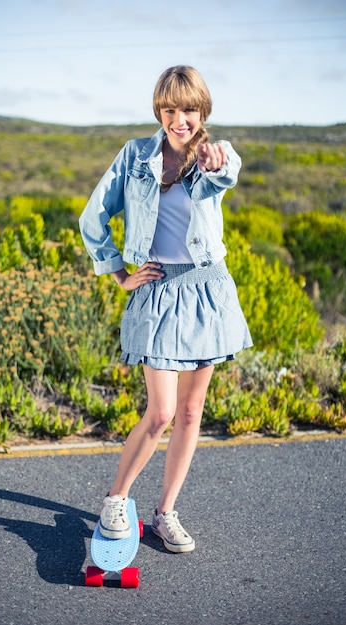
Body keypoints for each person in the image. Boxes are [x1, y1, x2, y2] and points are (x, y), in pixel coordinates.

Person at [79, 65, 253, 553]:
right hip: (158, 289)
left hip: (206, 288)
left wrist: (215, 162)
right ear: (159, 109)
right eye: (171, 109)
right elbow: (93, 217)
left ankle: (165, 513)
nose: (180, 119)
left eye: (190, 109)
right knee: (160, 412)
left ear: (203, 111)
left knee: (193, 411)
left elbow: (226, 171)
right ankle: (116, 500)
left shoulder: (215, 154)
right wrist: (117, 272)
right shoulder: (136, 156)